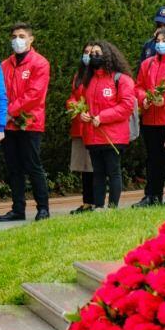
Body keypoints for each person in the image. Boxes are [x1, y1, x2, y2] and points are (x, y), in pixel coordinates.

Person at [74, 41, 134, 210]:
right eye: (91, 54)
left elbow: (126, 106)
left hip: (113, 135)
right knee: (98, 173)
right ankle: (99, 206)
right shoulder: (89, 80)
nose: (93, 57)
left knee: (113, 171)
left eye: (97, 53)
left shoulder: (121, 79)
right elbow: (82, 103)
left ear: (107, 55)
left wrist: (103, 117)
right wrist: (82, 114)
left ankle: (113, 207)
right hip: (93, 135)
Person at [0, 23, 50, 221]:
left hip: (30, 123)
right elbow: (0, 91)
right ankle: (18, 208)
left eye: (21, 36)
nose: (17, 40)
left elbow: (34, 94)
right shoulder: (5, 64)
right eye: (14, 36)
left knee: (32, 165)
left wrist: (10, 111)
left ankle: (43, 207)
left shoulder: (40, 63)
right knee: (14, 167)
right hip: (10, 124)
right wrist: (5, 113)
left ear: (31, 39)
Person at [133, 28, 165, 207]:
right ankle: (152, 195)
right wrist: (144, 98)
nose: (160, 44)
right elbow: (138, 87)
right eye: (158, 40)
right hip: (150, 118)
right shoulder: (148, 64)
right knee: (153, 159)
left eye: (164, 40)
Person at [67, 46, 96, 214]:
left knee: (95, 166)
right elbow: (72, 96)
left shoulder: (101, 75)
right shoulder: (79, 75)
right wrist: (74, 106)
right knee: (84, 167)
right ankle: (87, 202)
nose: (88, 56)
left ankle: (95, 202)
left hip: (94, 125)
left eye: (92, 53)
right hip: (80, 125)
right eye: (86, 52)